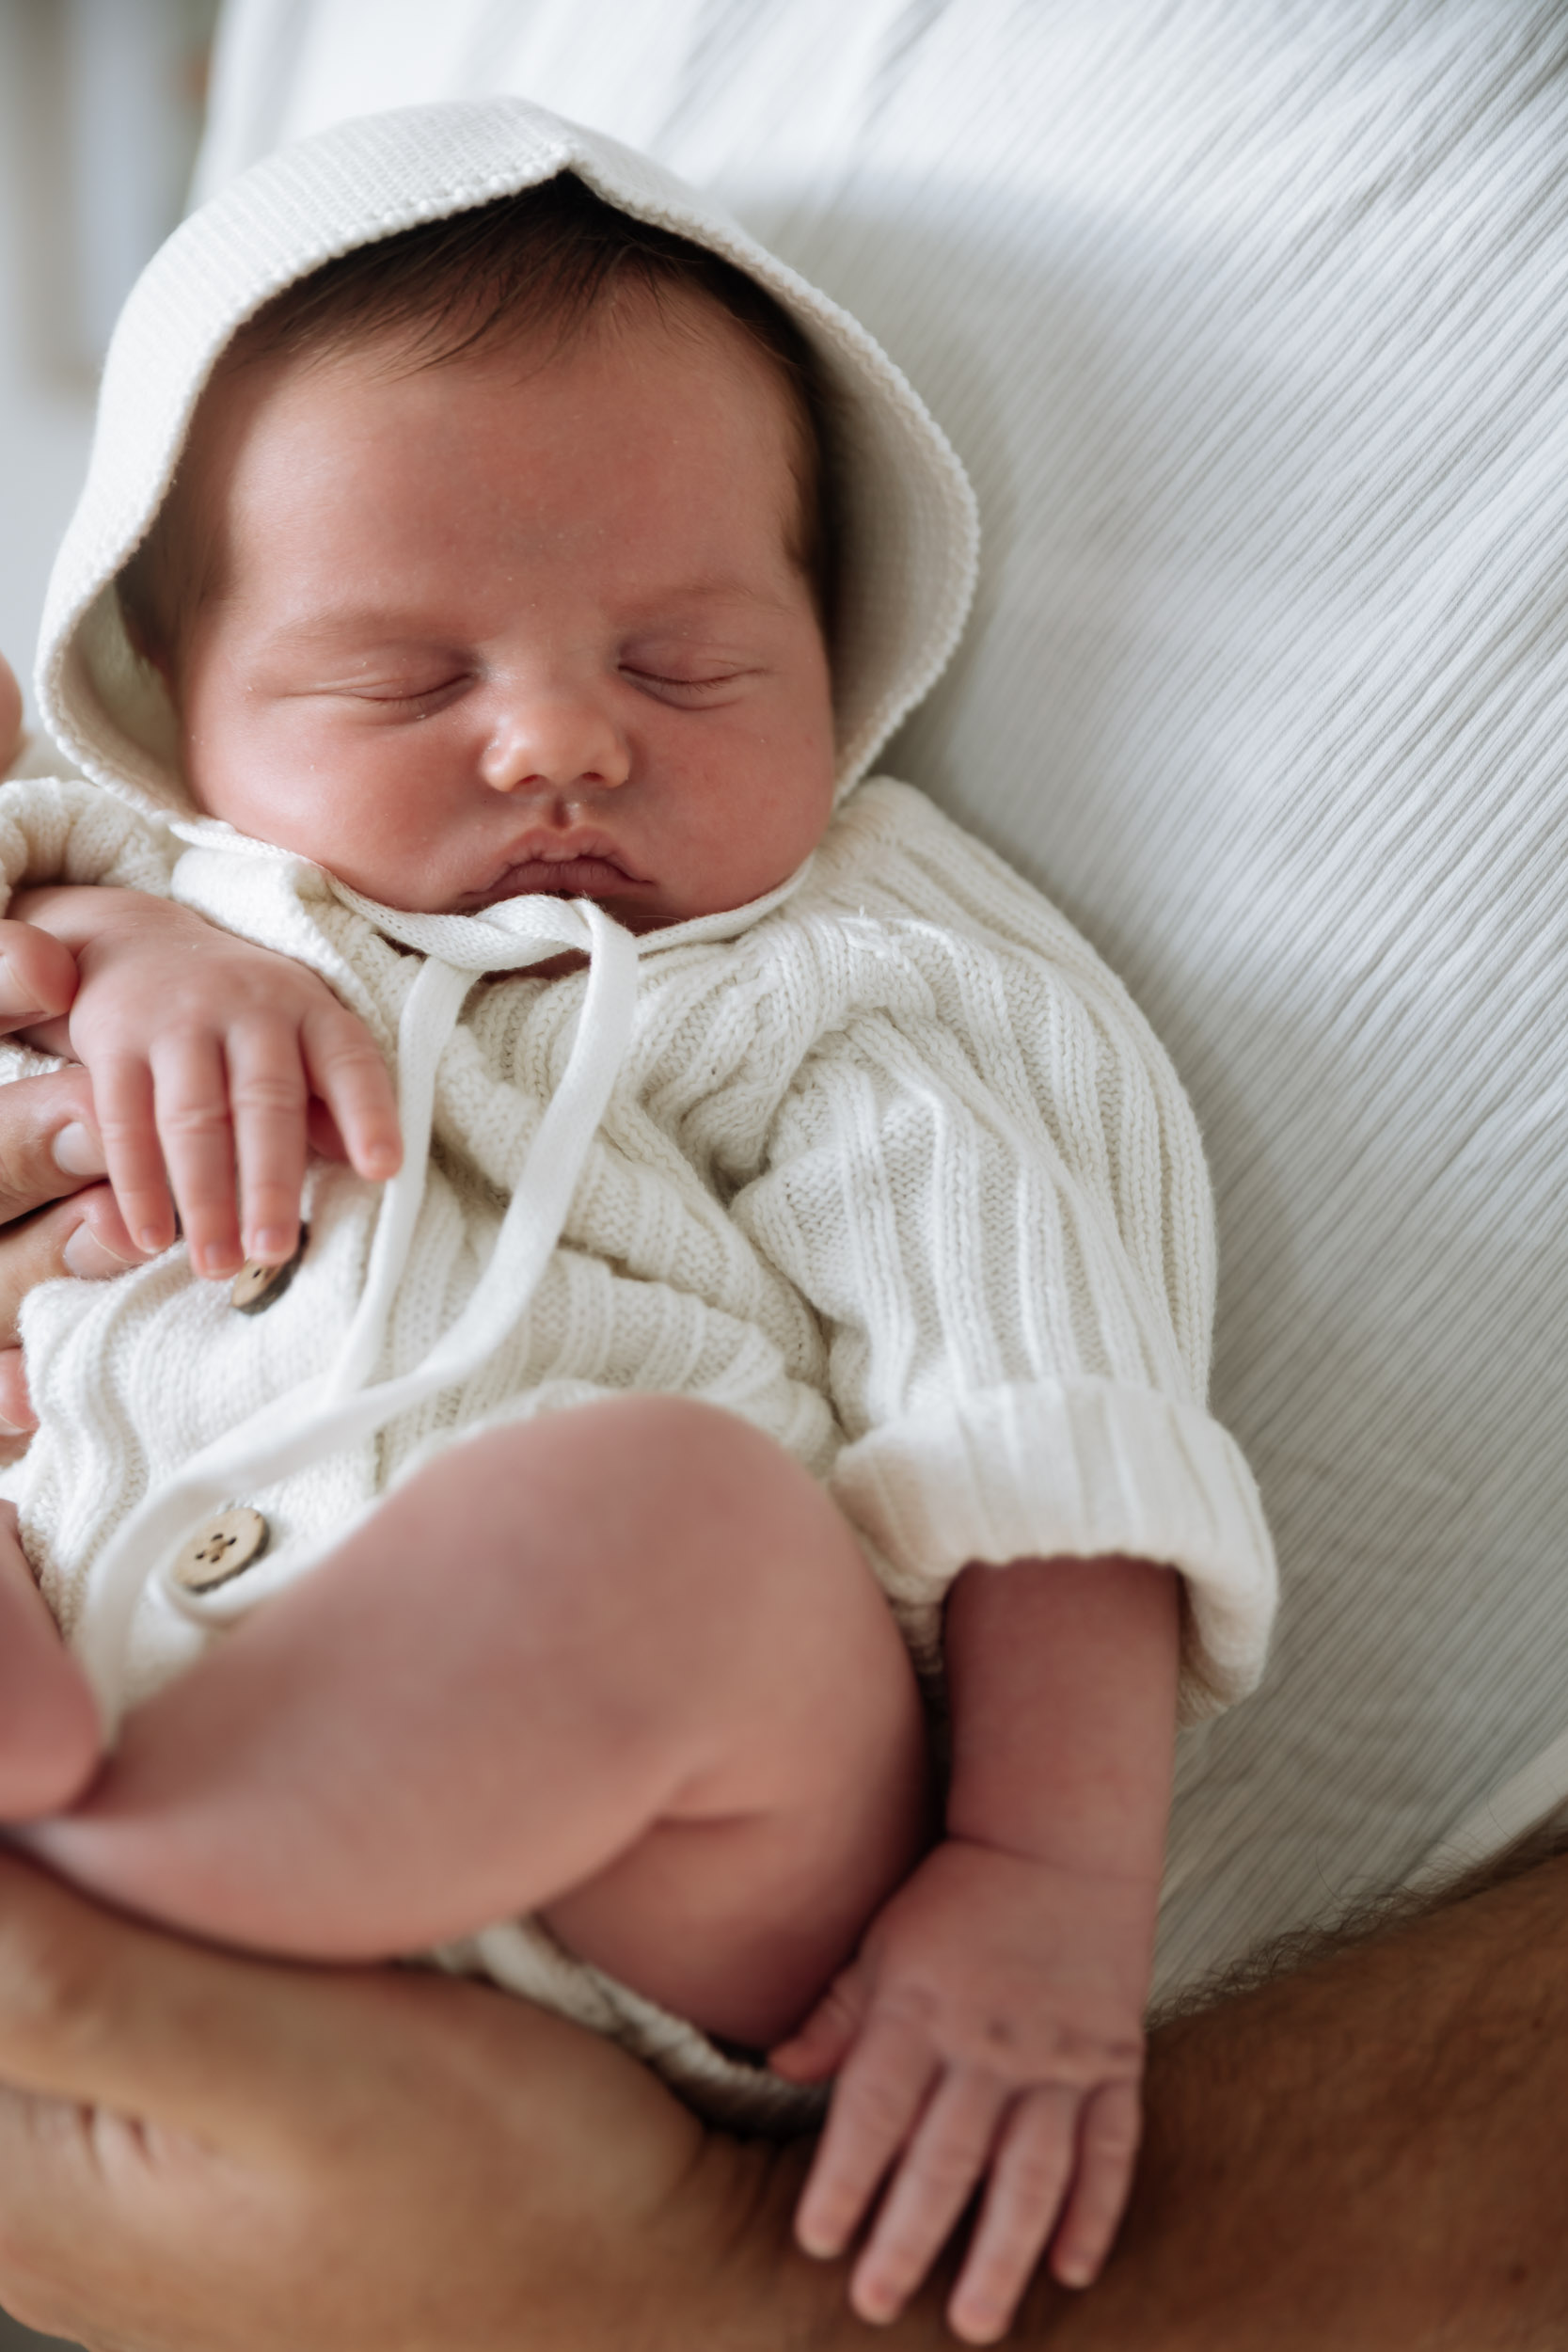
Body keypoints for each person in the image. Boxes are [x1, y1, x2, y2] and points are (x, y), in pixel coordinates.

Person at [0, 100, 1274, 2343]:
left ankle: (92, 1899)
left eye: (689, 667)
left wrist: (1046, 1881)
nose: (561, 745)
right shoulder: (156, 892)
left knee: (671, 1517)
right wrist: (112, 933)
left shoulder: (854, 974)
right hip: (100, 1600)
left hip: (671, 1867)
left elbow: (1049, 1409)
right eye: (408, 679)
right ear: (170, 718)